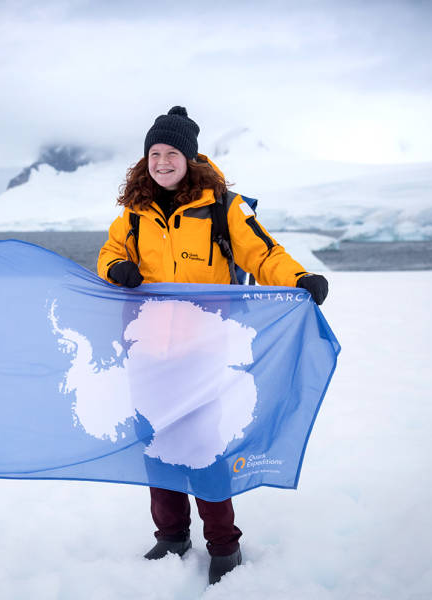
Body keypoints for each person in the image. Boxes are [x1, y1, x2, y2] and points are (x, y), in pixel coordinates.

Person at [97, 106, 329, 585]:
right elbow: (110, 253)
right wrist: (116, 269)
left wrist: (299, 277)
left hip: (203, 350)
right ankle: (171, 536)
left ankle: (224, 545)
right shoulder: (134, 212)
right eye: (154, 154)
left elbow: (262, 252)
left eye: (171, 153)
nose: (161, 162)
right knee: (157, 443)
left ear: (189, 157)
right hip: (146, 350)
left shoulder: (223, 205)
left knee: (202, 447)